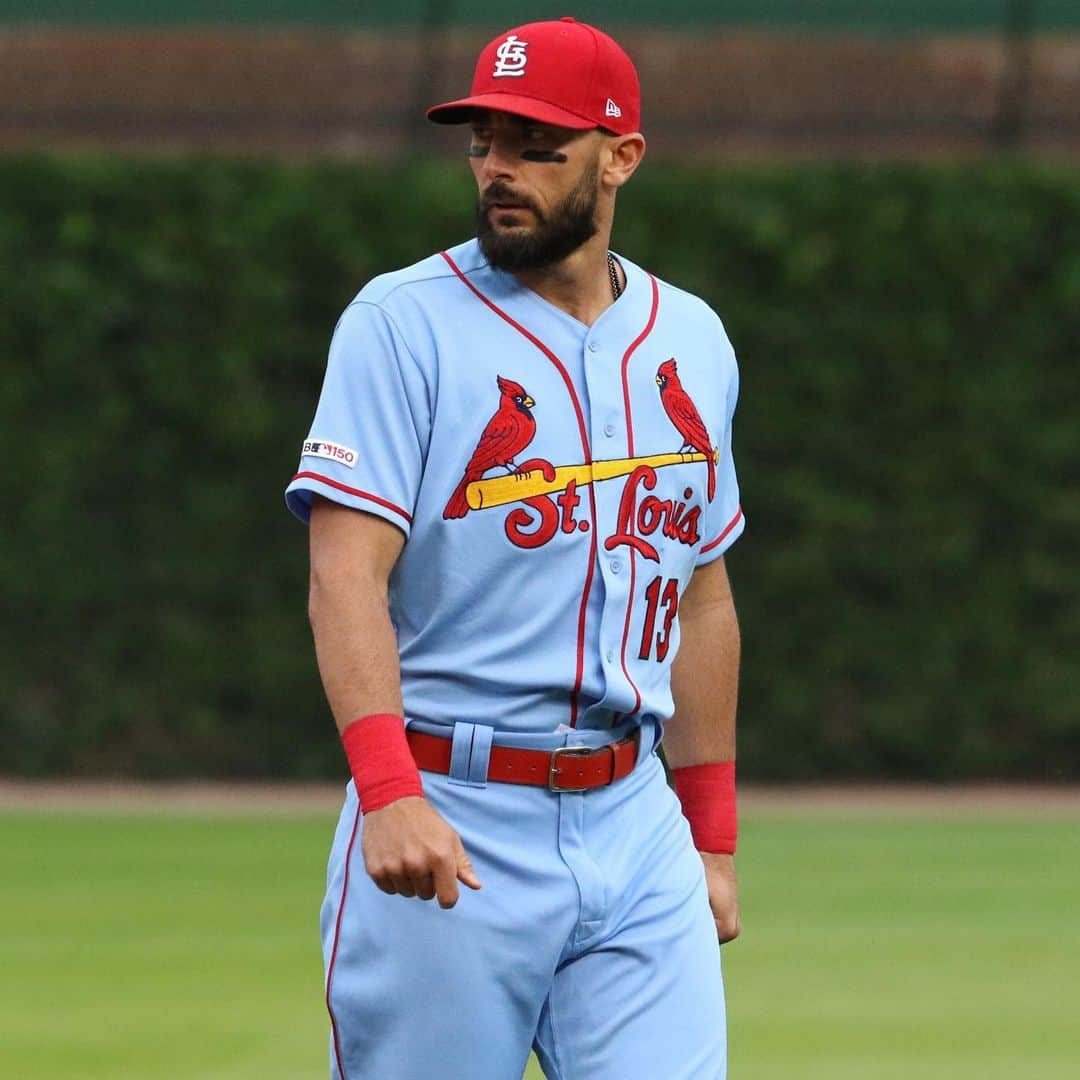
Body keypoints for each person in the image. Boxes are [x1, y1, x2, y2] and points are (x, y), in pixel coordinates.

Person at [285, 17, 745, 1080]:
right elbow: (344, 571)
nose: (500, 170)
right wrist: (391, 792)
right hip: (452, 814)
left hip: (637, 824)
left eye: (539, 146)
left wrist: (711, 835)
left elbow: (703, 593)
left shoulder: (694, 339)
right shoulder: (401, 322)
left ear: (620, 157)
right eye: (486, 141)